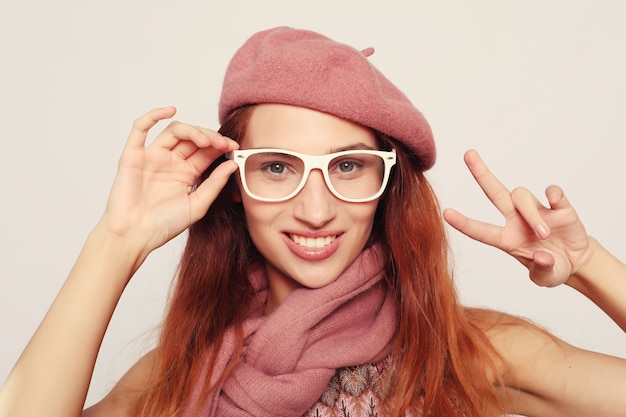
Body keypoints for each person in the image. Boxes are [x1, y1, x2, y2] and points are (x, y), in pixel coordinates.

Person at [1, 26, 625, 417]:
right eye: (277, 168)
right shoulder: (179, 376)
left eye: (348, 167)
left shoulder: (462, 356)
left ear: (387, 188)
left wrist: (589, 265)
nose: (317, 208)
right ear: (234, 184)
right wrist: (117, 243)